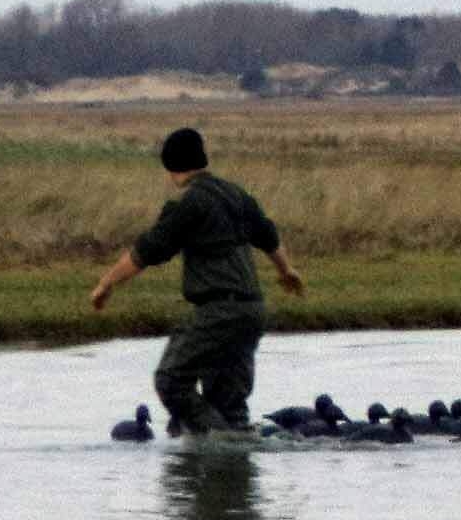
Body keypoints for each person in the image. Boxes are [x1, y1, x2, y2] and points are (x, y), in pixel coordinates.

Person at [90, 128, 305, 432]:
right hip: (252, 311)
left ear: (170, 167)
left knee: (171, 380)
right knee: (229, 404)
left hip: (218, 312)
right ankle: (232, 452)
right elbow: (268, 236)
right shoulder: (236, 194)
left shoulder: (188, 203)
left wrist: (106, 284)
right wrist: (287, 271)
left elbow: (146, 251)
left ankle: (220, 440)